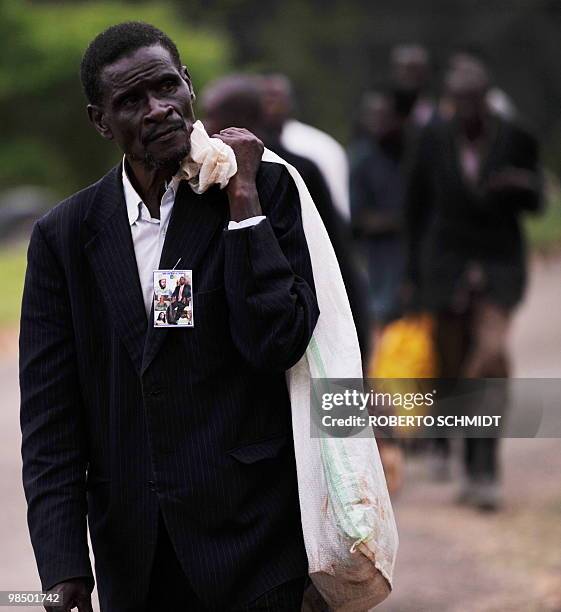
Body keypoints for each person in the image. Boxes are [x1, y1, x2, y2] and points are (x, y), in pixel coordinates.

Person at [19, 22, 319, 611]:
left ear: (188, 85)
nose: (157, 110)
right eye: (131, 101)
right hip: (137, 552)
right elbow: (51, 416)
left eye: (165, 88)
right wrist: (61, 566)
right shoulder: (64, 236)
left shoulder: (266, 188)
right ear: (101, 122)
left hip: (257, 538)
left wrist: (243, 203)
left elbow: (277, 341)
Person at [405, 59, 543, 510]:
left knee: (489, 358)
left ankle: (486, 468)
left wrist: (520, 185)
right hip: (446, 267)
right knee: (452, 365)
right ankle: (466, 454)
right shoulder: (433, 138)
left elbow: (538, 198)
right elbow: (416, 206)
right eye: (457, 99)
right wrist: (412, 275)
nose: (465, 107)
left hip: (499, 267)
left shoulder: (515, 136)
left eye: (473, 98)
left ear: (487, 97)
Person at [202, 74, 369, 363]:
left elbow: (331, 250)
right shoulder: (207, 174)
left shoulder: (296, 170)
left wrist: (354, 326)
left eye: (212, 116)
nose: (203, 126)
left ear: (239, 118)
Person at [258, 74, 351, 222]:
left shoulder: (319, 146)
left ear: (289, 102)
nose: (270, 104)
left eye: (274, 97)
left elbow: (335, 208)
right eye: (263, 98)